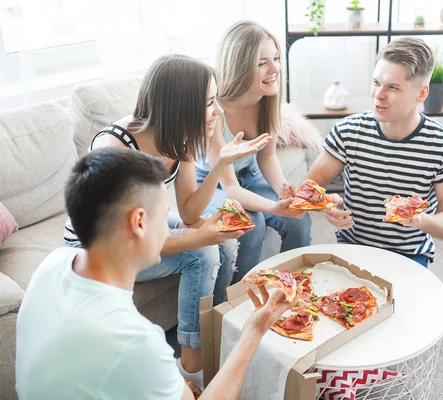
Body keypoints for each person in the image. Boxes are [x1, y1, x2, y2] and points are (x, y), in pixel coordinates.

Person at [16, 148, 296, 399]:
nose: (171, 228)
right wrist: (254, 331)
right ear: (139, 222)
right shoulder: (136, 341)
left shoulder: (51, 264)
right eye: (163, 215)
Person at [62, 54, 271, 390]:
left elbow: (189, 211)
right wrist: (198, 239)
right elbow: (129, 242)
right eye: (208, 103)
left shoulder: (179, 137)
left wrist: (220, 165)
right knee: (202, 253)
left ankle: (208, 337)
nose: (217, 112)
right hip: (100, 245)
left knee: (226, 241)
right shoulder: (115, 151)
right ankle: (192, 365)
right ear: (179, 106)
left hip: (143, 222)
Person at [306, 37, 443, 268]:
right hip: (351, 248)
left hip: (409, 256)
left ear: (421, 94)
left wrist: (420, 220)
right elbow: (311, 184)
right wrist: (326, 204)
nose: (378, 94)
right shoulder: (348, 131)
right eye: (376, 82)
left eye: (392, 87)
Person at [196, 21, 311, 288]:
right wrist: (273, 206)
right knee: (251, 224)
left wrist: (284, 191)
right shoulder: (215, 110)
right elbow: (231, 188)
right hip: (212, 182)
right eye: (262, 63)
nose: (275, 69)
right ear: (239, 66)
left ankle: (294, 290)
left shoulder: (268, 101)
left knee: (298, 217)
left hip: (250, 174)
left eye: (276, 59)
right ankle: (239, 300)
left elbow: (267, 157)